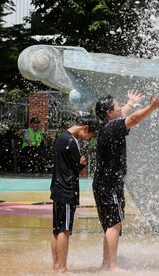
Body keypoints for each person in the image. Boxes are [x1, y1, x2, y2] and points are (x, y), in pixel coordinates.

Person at [93, 91, 159, 271]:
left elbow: (125, 114)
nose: (121, 108)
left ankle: (106, 264)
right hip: (110, 185)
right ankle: (112, 266)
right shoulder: (113, 127)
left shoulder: (106, 126)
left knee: (110, 225)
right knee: (114, 225)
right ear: (110, 112)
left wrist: (129, 103)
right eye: (117, 106)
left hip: (103, 183)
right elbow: (132, 119)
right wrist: (152, 107)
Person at [50, 114, 100, 273]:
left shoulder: (61, 138)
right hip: (67, 190)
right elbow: (83, 172)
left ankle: (56, 265)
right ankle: (63, 268)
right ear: (85, 128)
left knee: (56, 229)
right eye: (89, 136)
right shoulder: (73, 142)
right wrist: (83, 163)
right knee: (65, 229)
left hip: (57, 188)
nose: (87, 139)